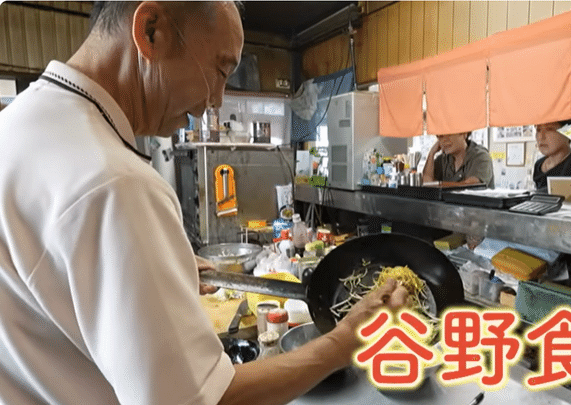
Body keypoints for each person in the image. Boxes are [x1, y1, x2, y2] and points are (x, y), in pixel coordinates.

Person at [0, 2, 408, 405]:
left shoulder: (18, 126)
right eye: (220, 70)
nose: (216, 100)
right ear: (150, 31)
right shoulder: (116, 183)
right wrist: (344, 341)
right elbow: (205, 399)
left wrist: (157, 266)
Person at [533, 117, 571, 192]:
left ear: (568, 132)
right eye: (538, 130)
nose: (541, 137)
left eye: (550, 129)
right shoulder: (539, 165)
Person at [422, 132, 494, 187]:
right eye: (439, 136)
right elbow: (426, 183)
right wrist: (431, 153)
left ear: (464, 133)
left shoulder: (480, 156)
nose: (443, 140)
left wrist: (438, 184)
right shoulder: (442, 159)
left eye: (448, 134)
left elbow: (471, 186)